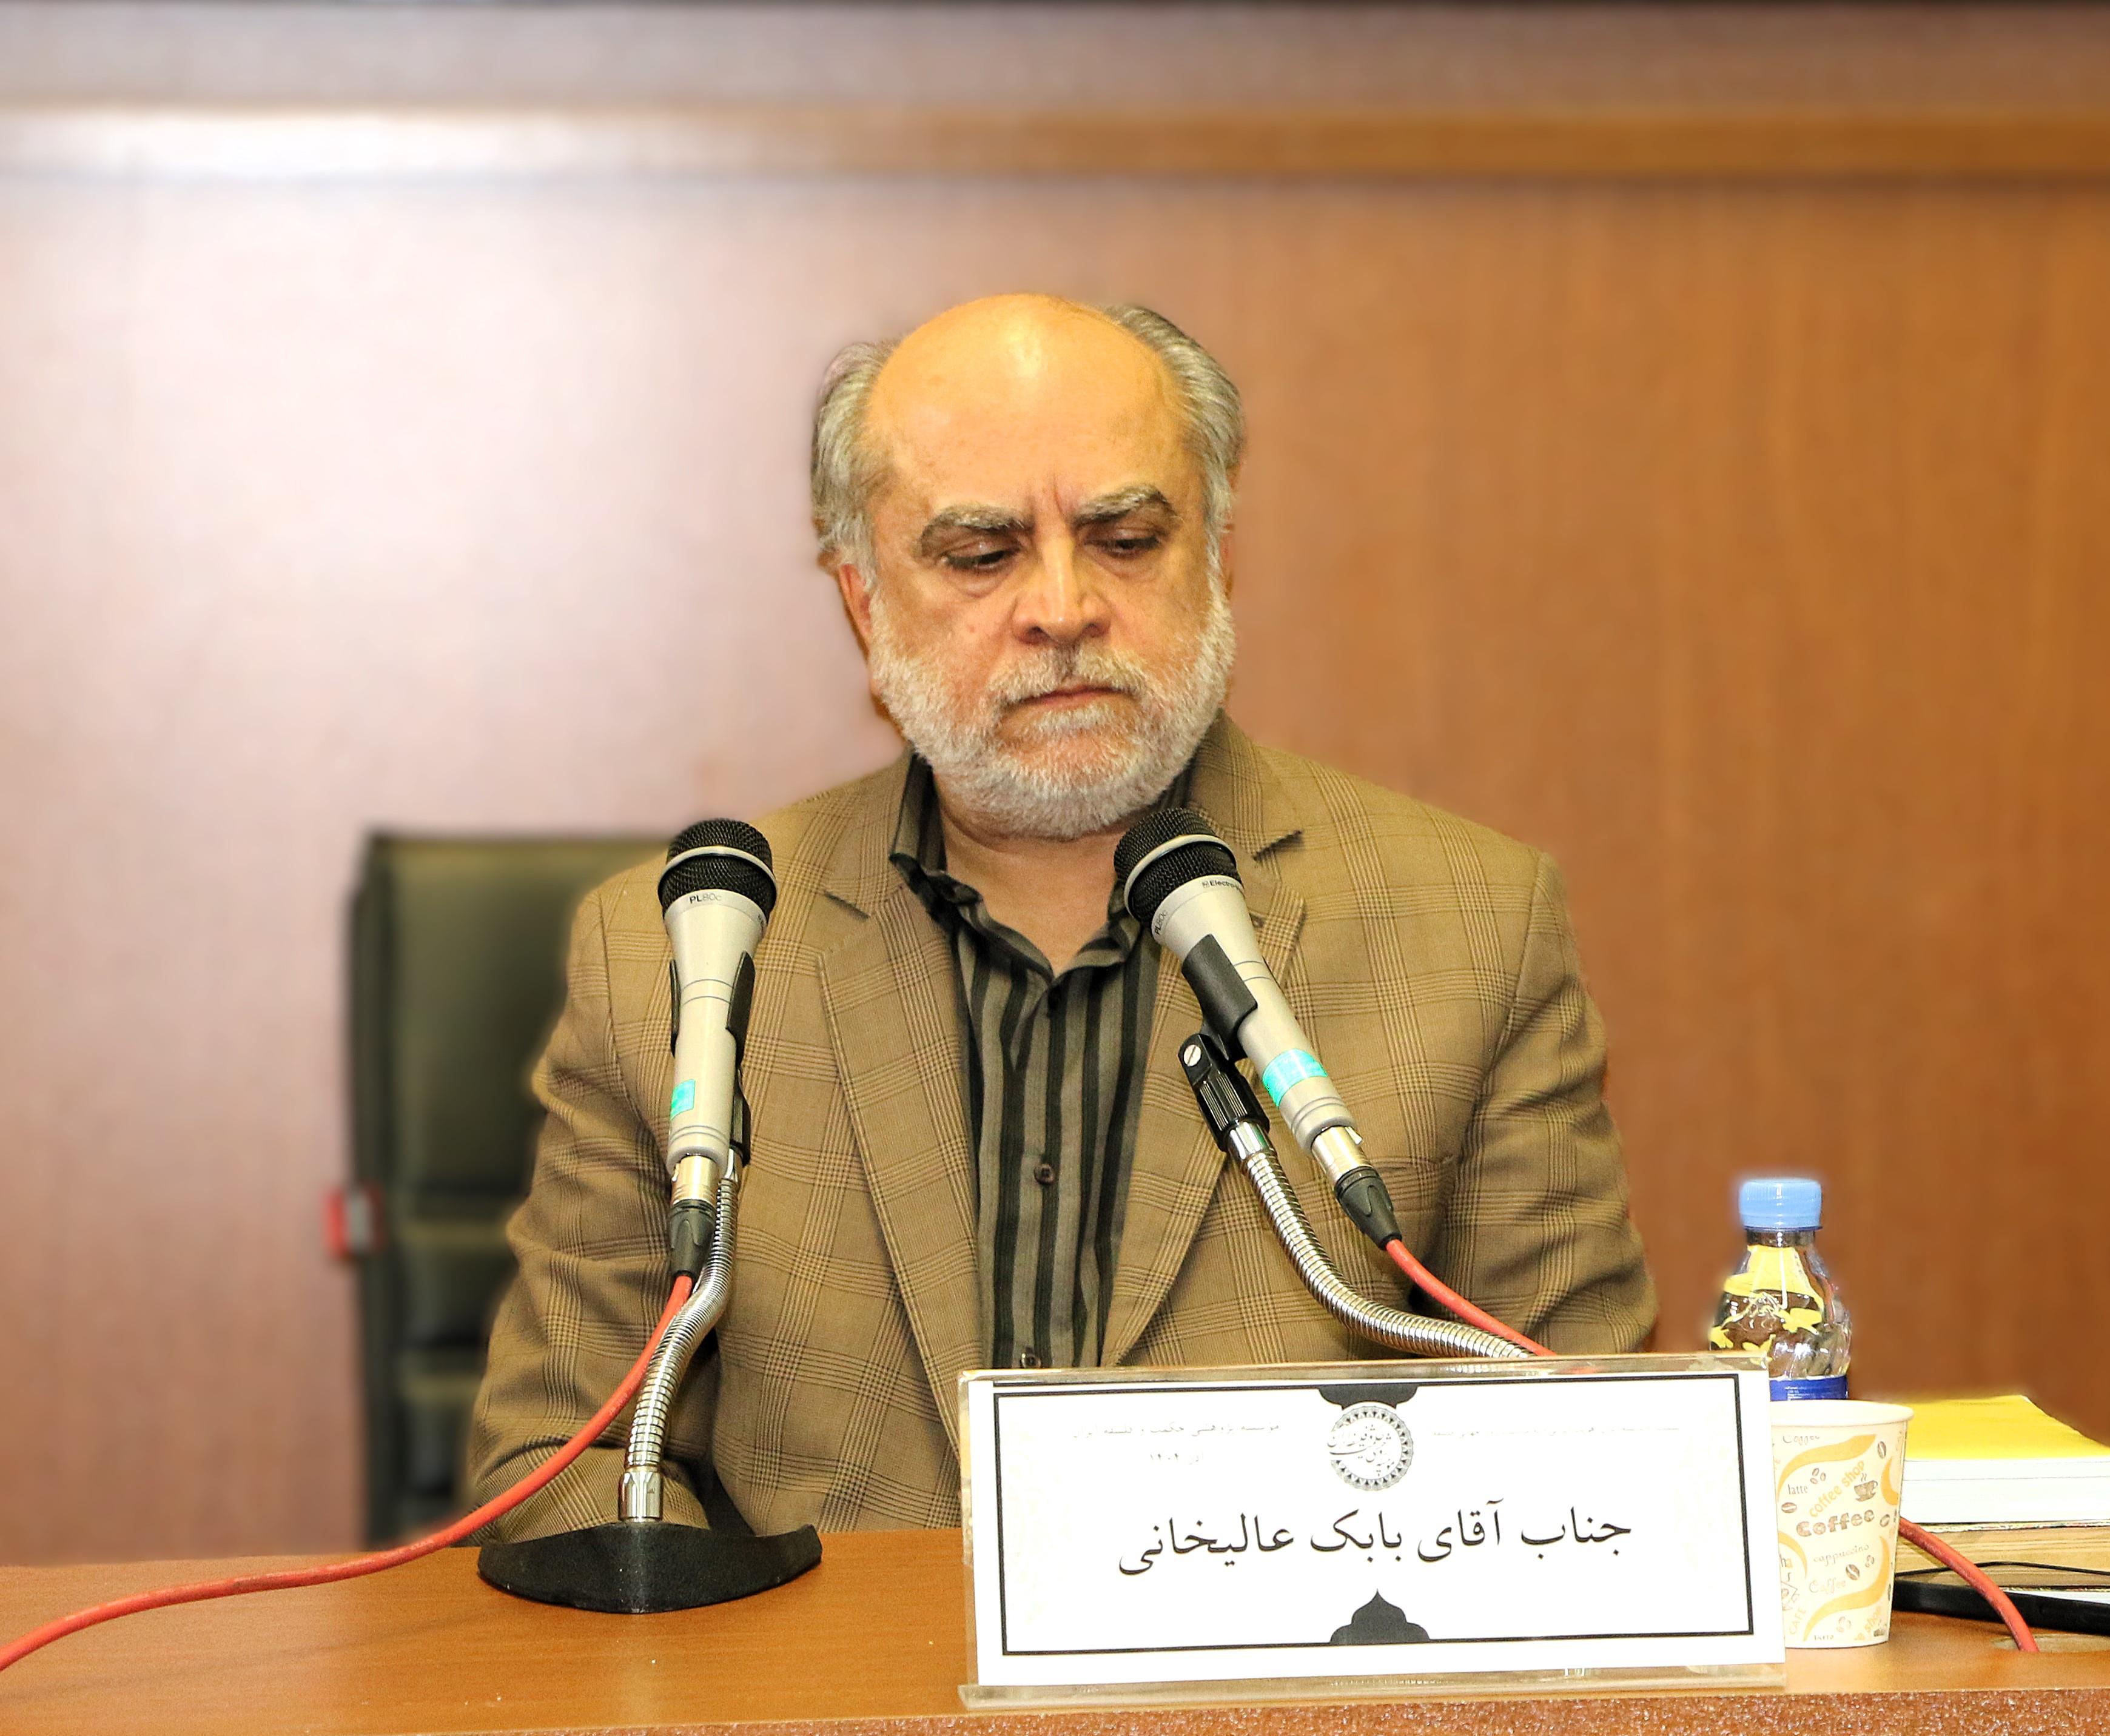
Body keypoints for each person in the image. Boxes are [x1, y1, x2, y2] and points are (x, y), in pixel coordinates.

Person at [468, 294, 1653, 1538]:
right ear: (864, 600)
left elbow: (1601, 1451)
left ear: (1217, 557)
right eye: (981, 555)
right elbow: (565, 1460)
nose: (1062, 606)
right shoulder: (681, 957)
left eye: (1126, 539)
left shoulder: (1471, 929)